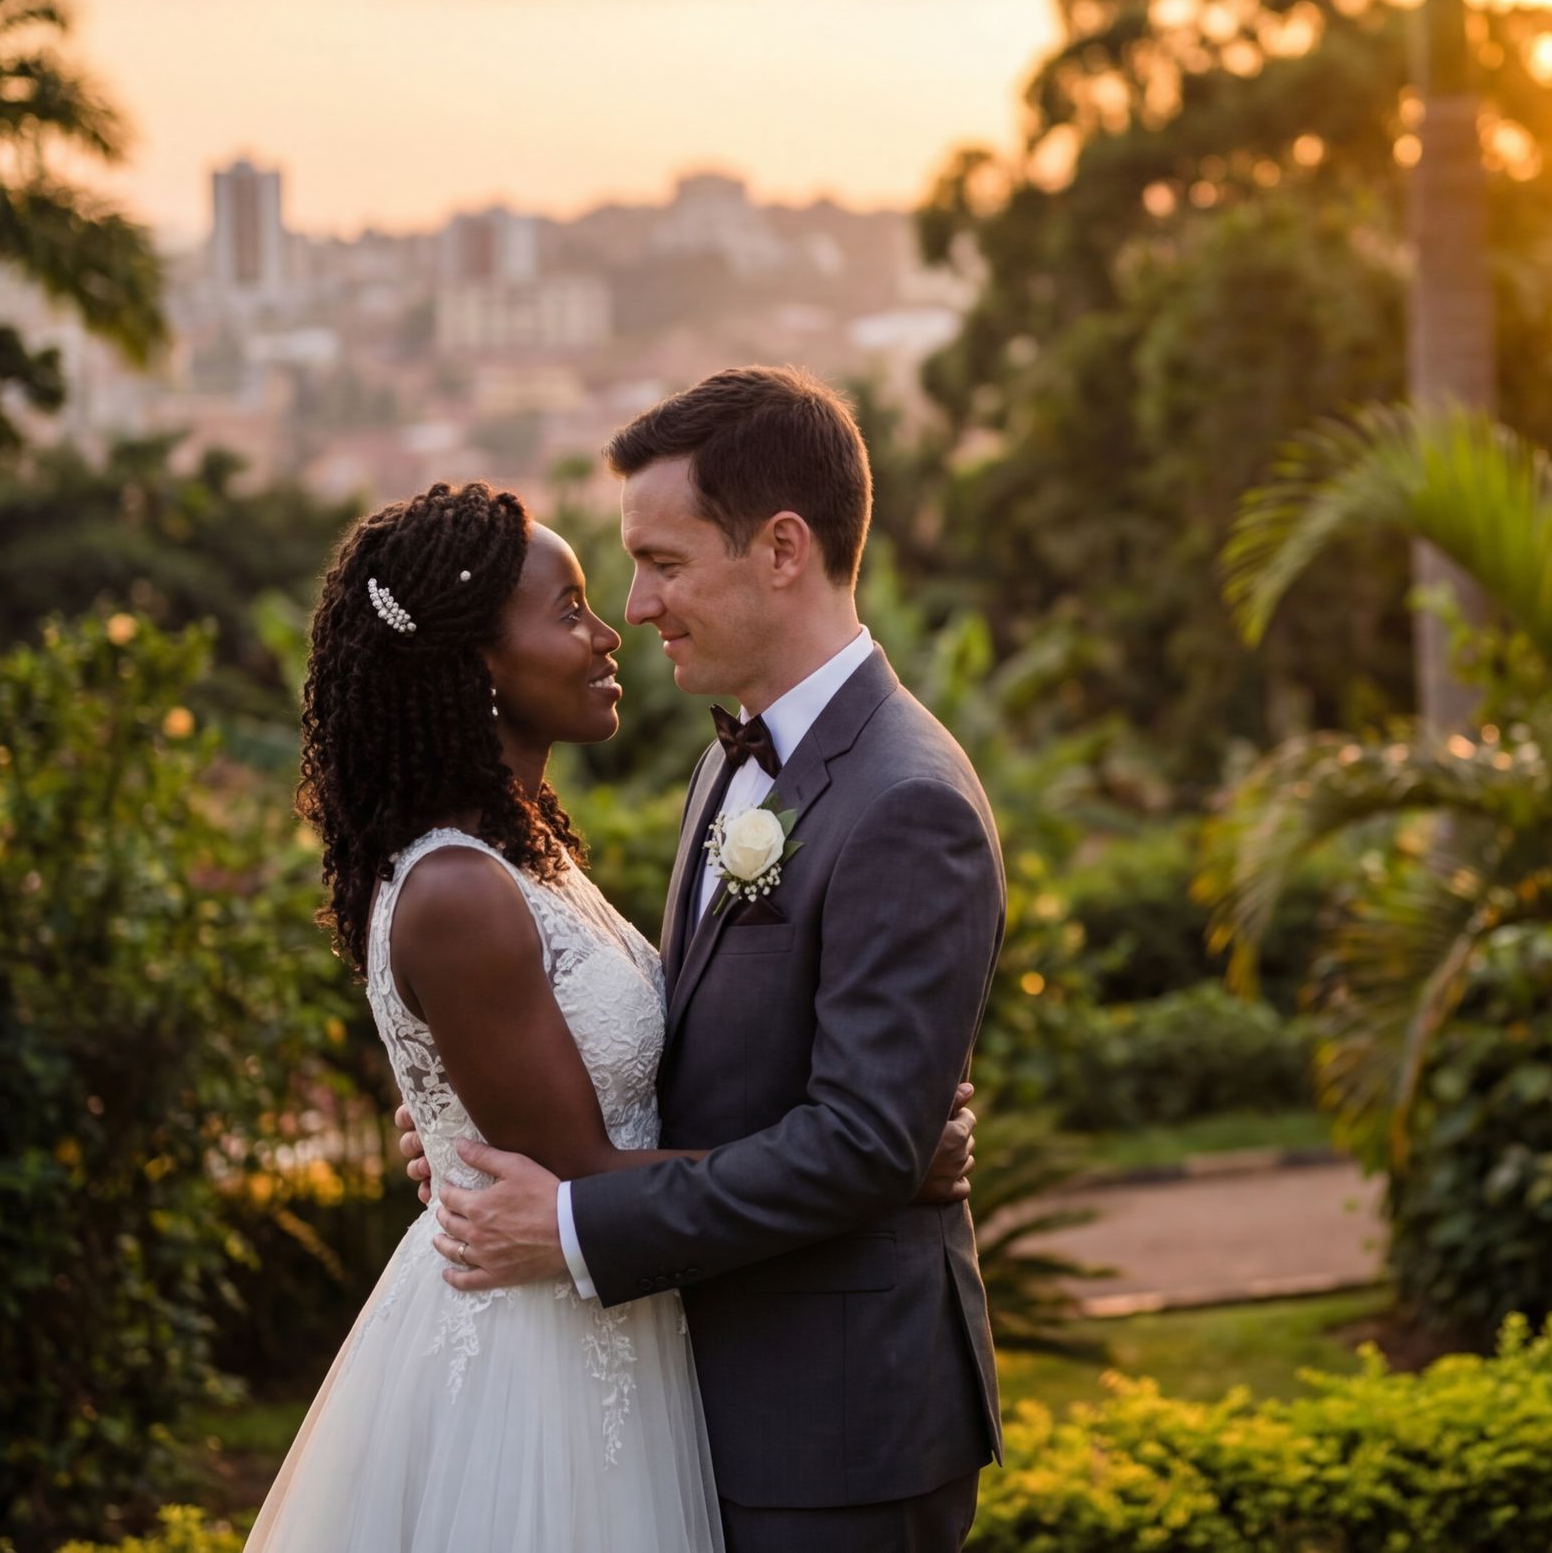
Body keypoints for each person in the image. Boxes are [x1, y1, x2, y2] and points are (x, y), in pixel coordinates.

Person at [246, 476, 977, 1552]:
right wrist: (881, 1165)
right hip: (538, 1364)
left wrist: (872, 1135)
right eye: (569, 611)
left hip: (633, 1328)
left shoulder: (526, 848)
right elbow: (579, 1175)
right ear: (477, 667)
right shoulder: (459, 890)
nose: (608, 632)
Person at [418, 368, 1007, 1553]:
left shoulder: (907, 801)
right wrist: (480, 1115)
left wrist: (572, 1222)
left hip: (835, 1423)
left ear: (783, 549)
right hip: (708, 1392)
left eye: (664, 564)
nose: (636, 607)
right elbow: (708, 1053)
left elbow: (860, 1146)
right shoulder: (731, 760)